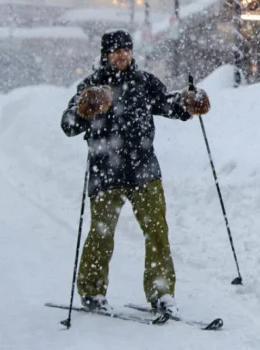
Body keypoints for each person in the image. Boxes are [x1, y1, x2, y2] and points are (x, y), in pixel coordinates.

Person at [60, 29, 211, 317]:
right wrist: (83, 110)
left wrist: (187, 103)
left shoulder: (144, 82)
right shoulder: (91, 86)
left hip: (144, 169)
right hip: (105, 172)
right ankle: (92, 292)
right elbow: (68, 125)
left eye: (126, 49)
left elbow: (167, 103)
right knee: (101, 234)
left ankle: (162, 293)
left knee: (157, 231)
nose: (121, 55)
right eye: (115, 51)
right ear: (105, 54)